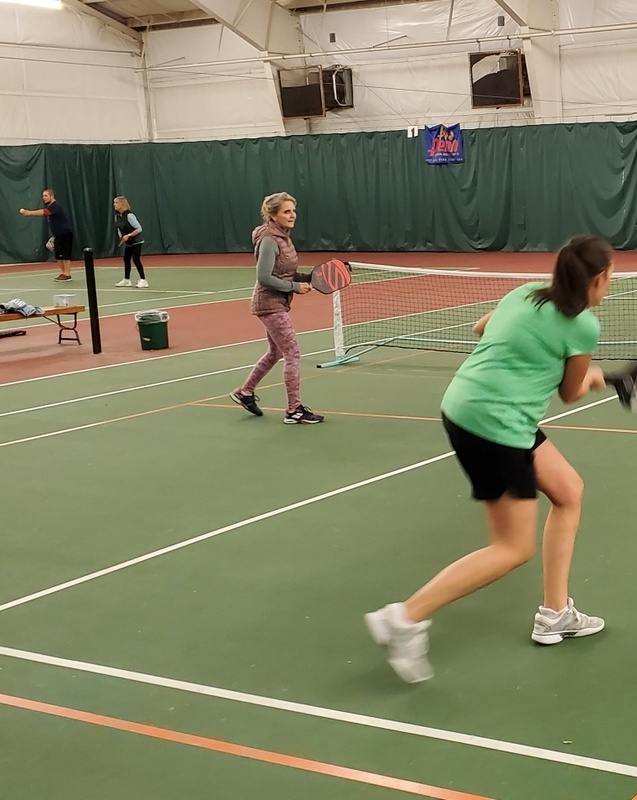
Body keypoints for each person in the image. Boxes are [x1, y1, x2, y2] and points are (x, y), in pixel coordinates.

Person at [364, 235, 615, 683]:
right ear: (597, 280)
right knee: (512, 547)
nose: (610, 282)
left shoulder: (522, 295)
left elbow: (482, 328)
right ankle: (405, 618)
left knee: (568, 489)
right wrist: (593, 377)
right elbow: (570, 392)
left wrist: (524, 350)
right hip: (496, 427)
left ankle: (556, 613)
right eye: (609, 275)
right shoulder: (583, 327)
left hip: (464, 404)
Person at [229, 192, 324, 424]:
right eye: (286, 211)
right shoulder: (270, 240)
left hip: (277, 302)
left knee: (276, 352)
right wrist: (294, 286)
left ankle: (245, 392)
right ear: (273, 215)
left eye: (293, 210)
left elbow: (286, 272)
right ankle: (294, 410)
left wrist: (313, 277)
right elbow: (264, 277)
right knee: (292, 353)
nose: (292, 215)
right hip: (269, 304)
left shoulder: (283, 237)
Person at [18, 189, 74, 282]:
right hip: (58, 234)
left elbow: (45, 212)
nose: (44, 198)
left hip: (65, 233)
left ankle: (67, 274)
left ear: (51, 196)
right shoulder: (51, 206)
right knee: (58, 255)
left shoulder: (55, 206)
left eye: (45, 196)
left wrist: (30, 212)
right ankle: (63, 273)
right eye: (43, 196)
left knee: (65, 254)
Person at [113, 196, 149, 288]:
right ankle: (126, 280)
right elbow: (119, 229)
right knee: (126, 259)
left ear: (122, 204)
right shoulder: (117, 217)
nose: (114, 205)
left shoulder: (129, 216)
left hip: (137, 241)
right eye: (114, 203)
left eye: (116, 203)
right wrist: (121, 237)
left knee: (136, 259)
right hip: (129, 243)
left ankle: (143, 280)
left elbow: (139, 228)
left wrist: (128, 235)